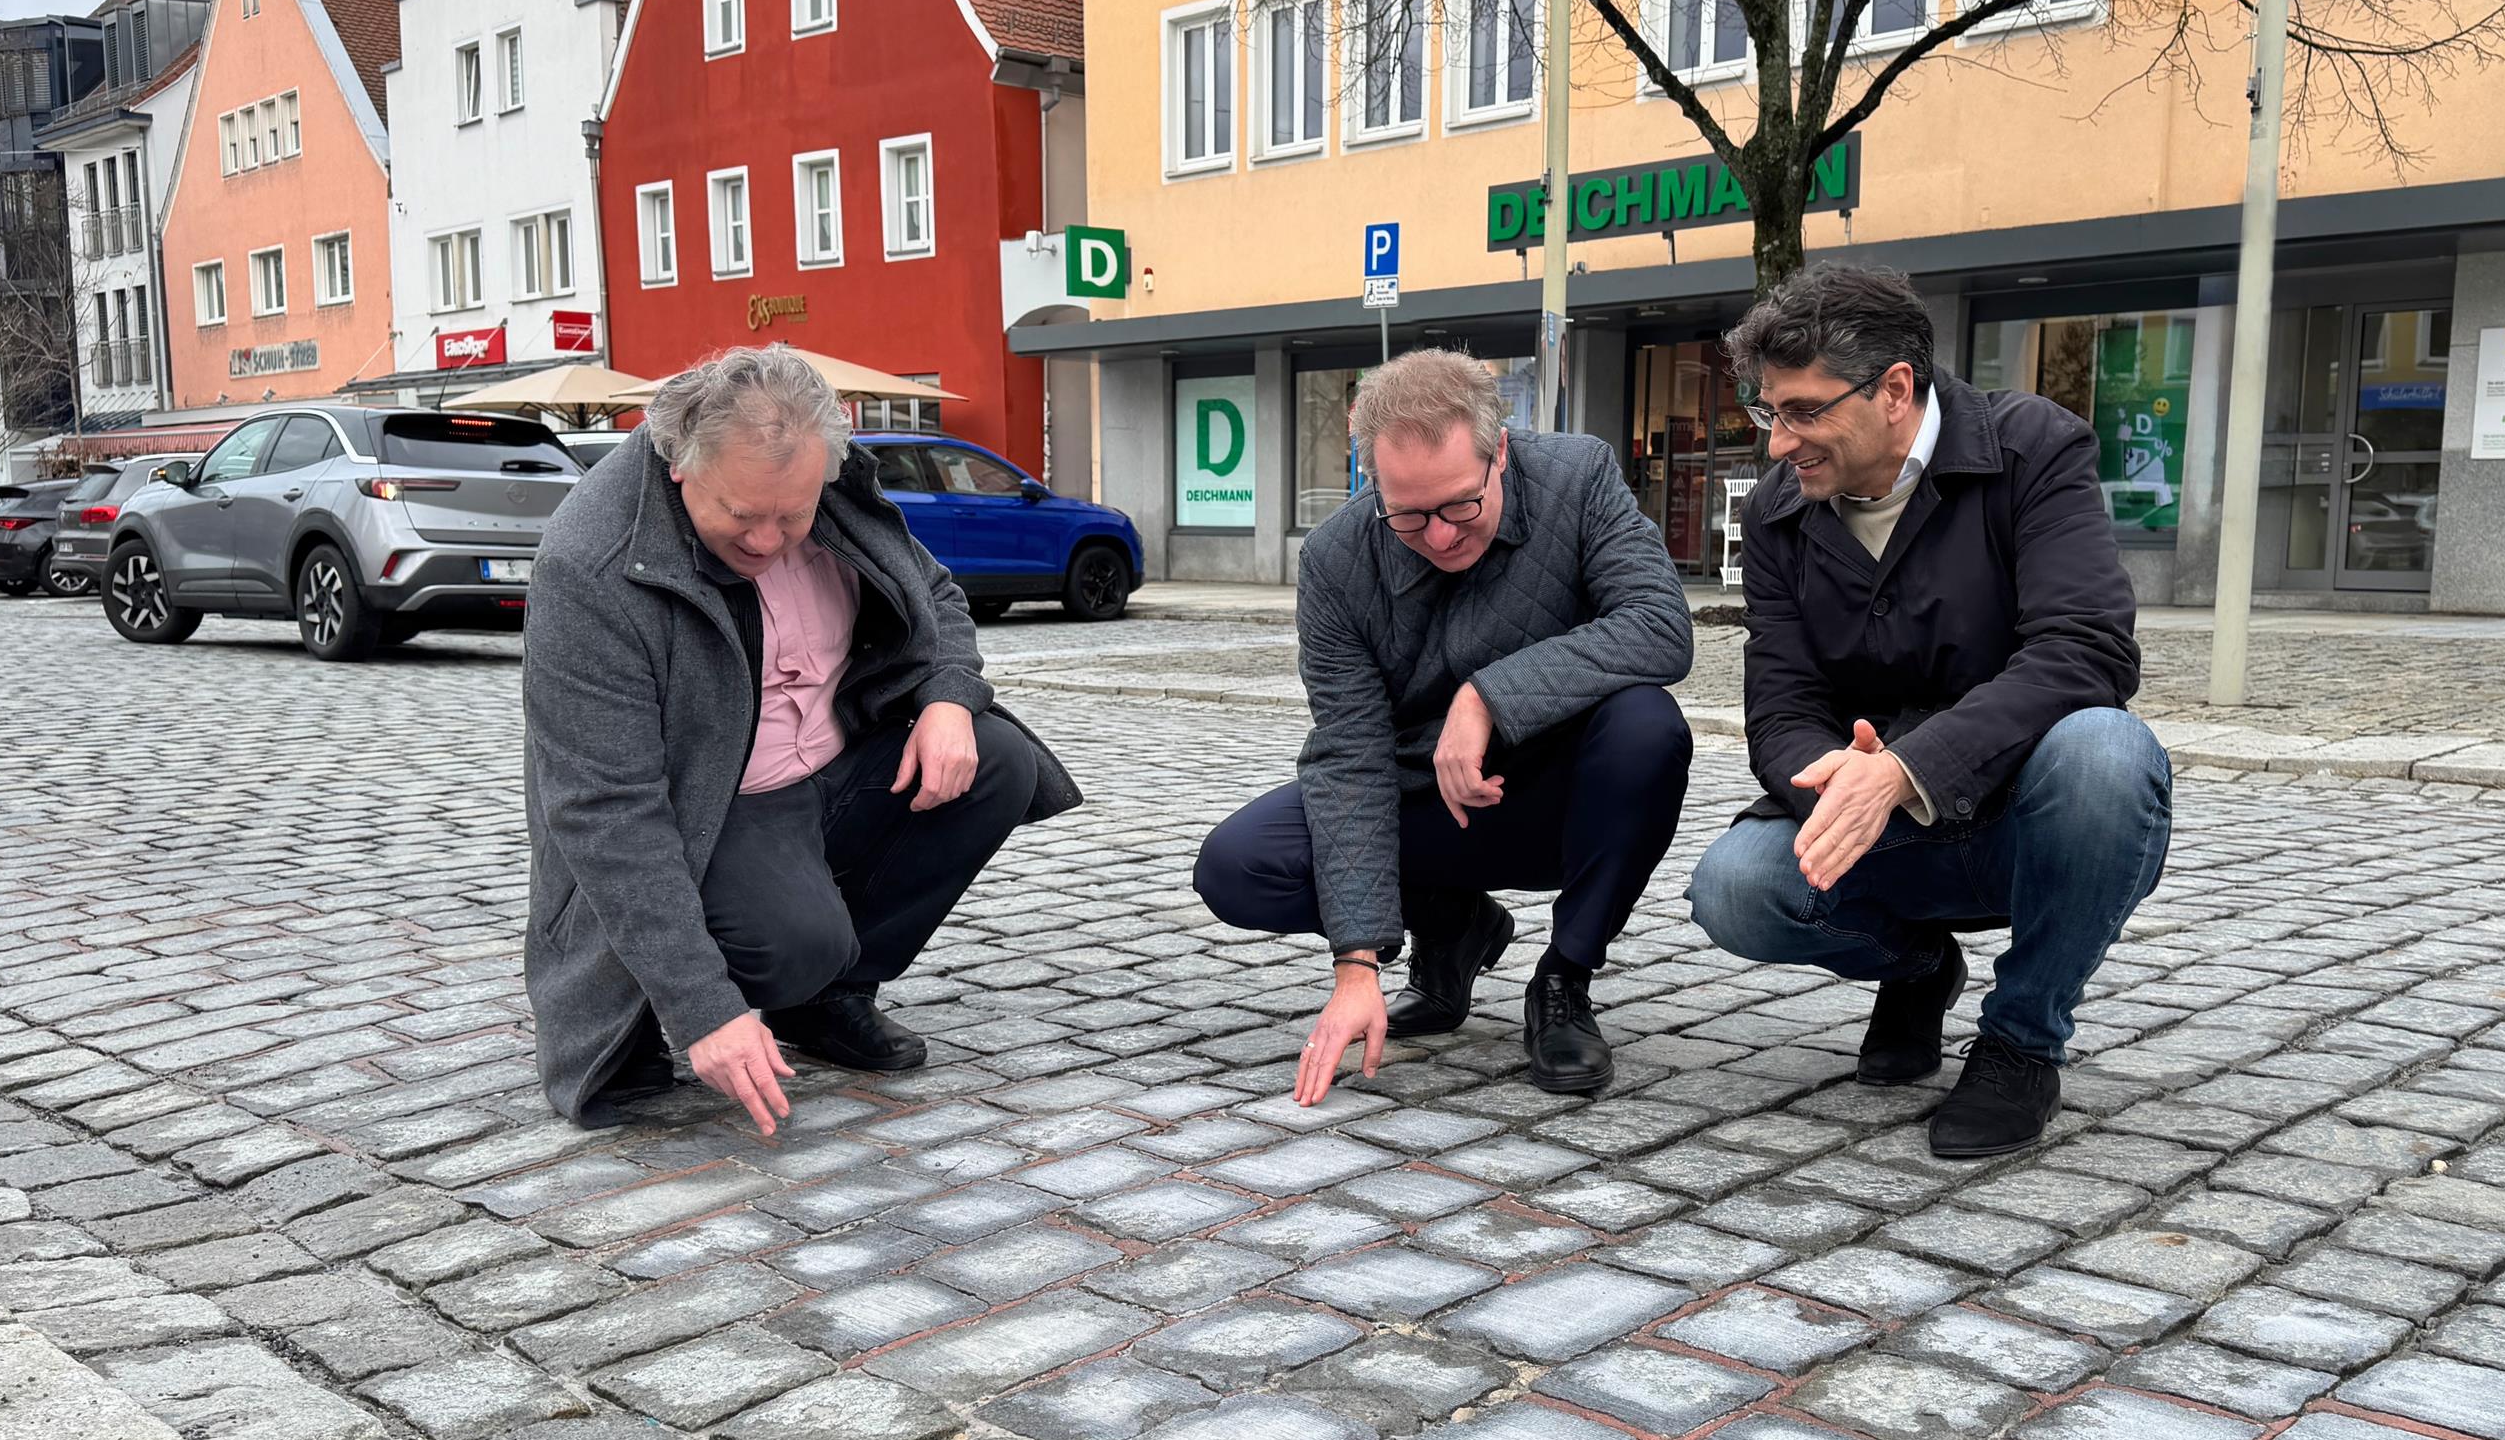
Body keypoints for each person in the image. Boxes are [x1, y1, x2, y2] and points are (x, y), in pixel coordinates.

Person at [523, 347, 1081, 1133]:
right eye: (741, 514)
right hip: (712, 807)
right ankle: (720, 986)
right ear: (681, 464)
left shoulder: (835, 491)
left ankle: (826, 1000)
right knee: (793, 945)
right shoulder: (591, 562)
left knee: (998, 759)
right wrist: (702, 1007)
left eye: (792, 516)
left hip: (832, 764)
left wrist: (949, 698)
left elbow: (937, 593)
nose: (768, 540)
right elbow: (605, 810)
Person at [1686, 264, 2172, 1158]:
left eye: (1802, 411)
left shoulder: (2032, 449)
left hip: (2026, 814)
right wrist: (1833, 775)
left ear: (1896, 389)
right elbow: (1782, 704)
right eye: (1769, 412)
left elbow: (2086, 649)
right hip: (1884, 833)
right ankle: (1919, 966)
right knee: (1735, 887)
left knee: (2107, 755)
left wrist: (1907, 769)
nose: (1779, 443)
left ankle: (2022, 1040)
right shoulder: (1780, 514)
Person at [1195, 350, 1695, 1104]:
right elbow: (1350, 756)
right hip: (1425, 799)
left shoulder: (1579, 476)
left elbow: (1659, 625)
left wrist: (1487, 696)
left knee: (1647, 726)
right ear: (1373, 482)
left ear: (1501, 453)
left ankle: (1564, 978)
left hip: (1563, 794)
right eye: (1407, 514)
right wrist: (1355, 964)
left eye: (1461, 505)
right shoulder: (1335, 558)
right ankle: (1455, 924)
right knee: (1239, 865)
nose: (1437, 536)